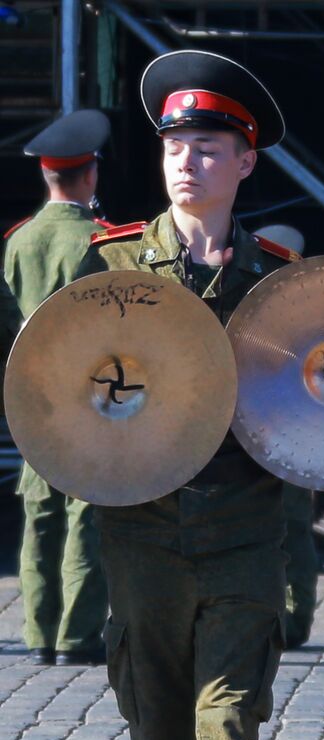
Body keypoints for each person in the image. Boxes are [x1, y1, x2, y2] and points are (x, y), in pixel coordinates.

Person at [80, 50, 299, 740]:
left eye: (208, 148)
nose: (187, 163)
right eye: (176, 145)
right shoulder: (114, 266)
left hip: (244, 536)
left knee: (230, 738)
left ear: (245, 163)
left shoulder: (280, 278)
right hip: (141, 539)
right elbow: (66, 387)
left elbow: (306, 399)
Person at [5, 109, 113, 667]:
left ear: (47, 176)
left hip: (33, 396)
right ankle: (78, 634)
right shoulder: (100, 241)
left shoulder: (18, 241)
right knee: (85, 515)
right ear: (89, 174)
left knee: (39, 515)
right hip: (89, 397)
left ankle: (39, 633)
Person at [252, 223, 318, 650]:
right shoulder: (307, 303)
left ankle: (286, 618)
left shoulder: (260, 302)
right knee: (292, 528)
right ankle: (292, 618)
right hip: (287, 431)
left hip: (277, 430)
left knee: (282, 527)